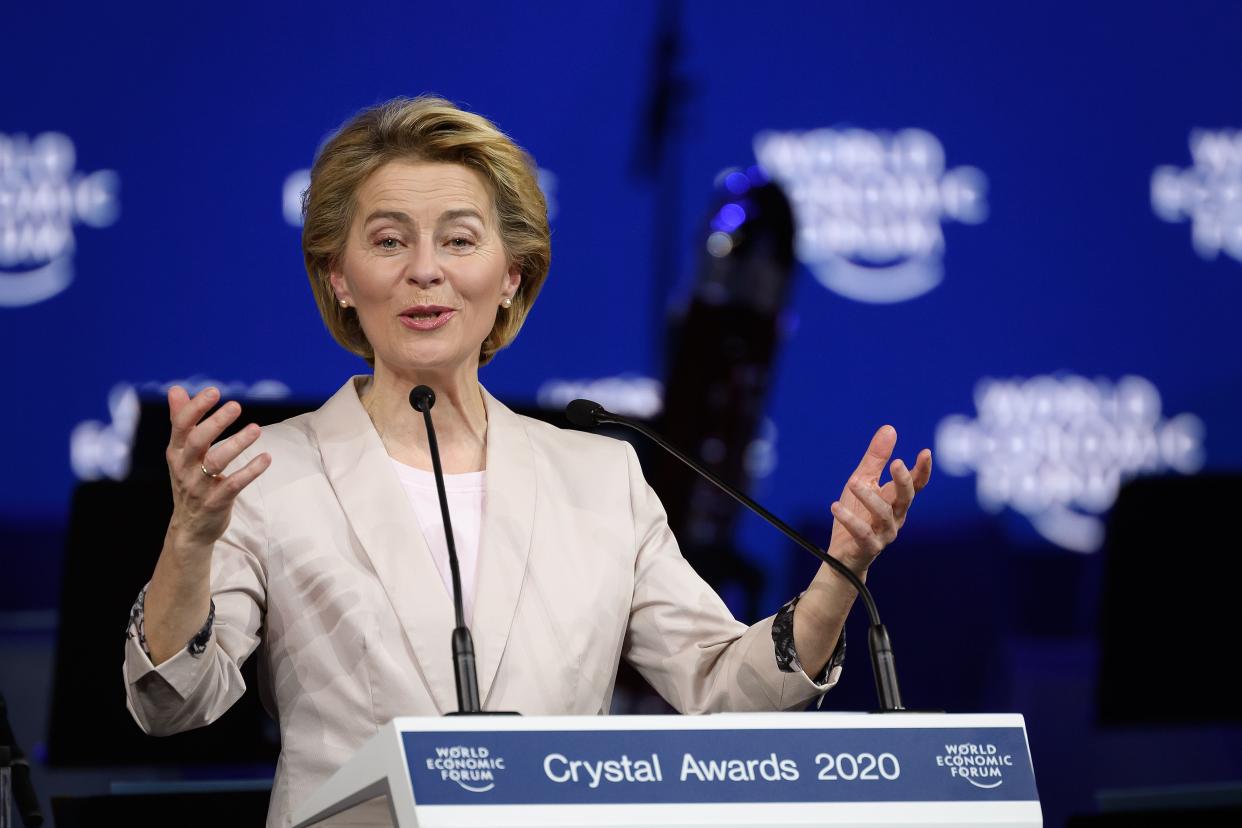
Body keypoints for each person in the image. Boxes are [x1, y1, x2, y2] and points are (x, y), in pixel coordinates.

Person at [123, 96, 932, 827]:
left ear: (511, 276)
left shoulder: (599, 478)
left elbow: (724, 691)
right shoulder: (270, 474)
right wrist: (189, 540)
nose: (425, 269)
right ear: (339, 276)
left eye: (459, 239)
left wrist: (839, 575)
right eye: (389, 240)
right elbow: (174, 702)